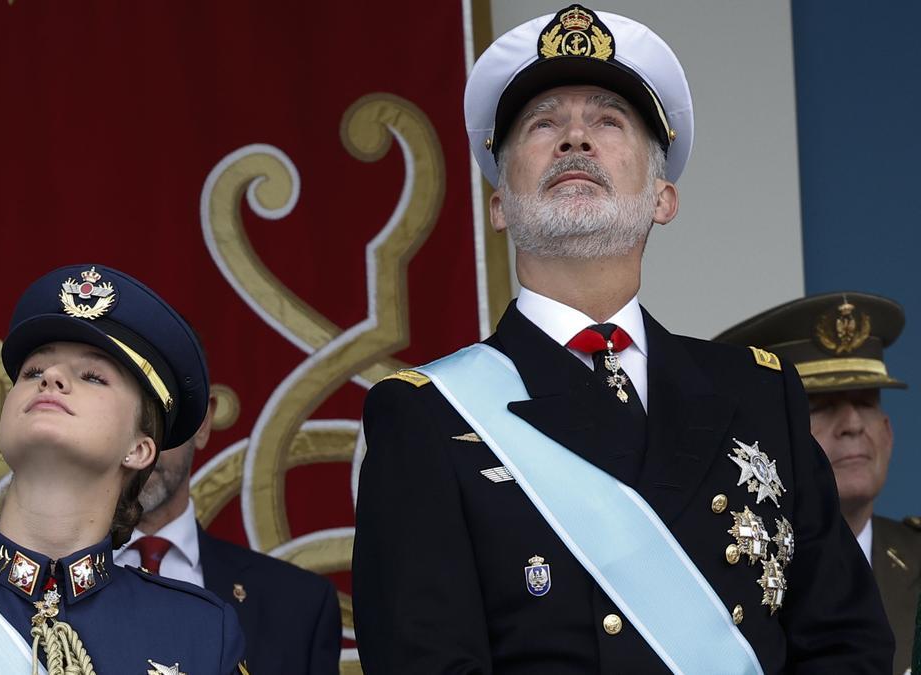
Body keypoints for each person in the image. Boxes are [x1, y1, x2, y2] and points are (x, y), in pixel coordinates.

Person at [352, 5, 893, 673]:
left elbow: (847, 643)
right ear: (498, 203)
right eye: (543, 124)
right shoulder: (427, 417)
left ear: (663, 196)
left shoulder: (759, 393)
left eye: (609, 121)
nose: (575, 137)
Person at [0, 264, 248, 674]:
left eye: (92, 376)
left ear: (140, 450)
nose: (51, 377)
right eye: (34, 372)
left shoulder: (201, 632)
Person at [717, 291, 918, 674]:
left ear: (888, 432)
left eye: (866, 403)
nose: (853, 425)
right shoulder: (725, 566)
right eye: (821, 407)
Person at [115, 388, 342, 674]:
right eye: (120, 411)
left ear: (202, 423)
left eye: (159, 410)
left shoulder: (300, 605)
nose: (141, 442)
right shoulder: (47, 583)